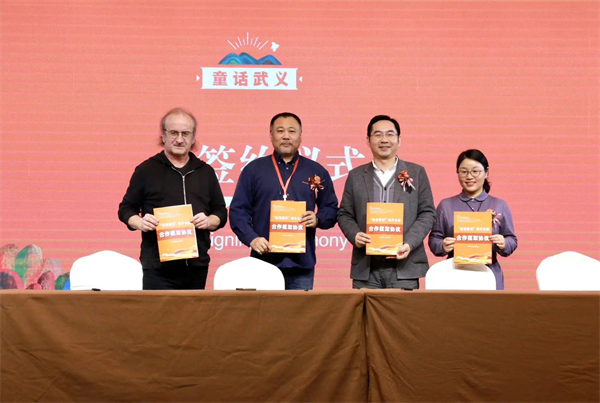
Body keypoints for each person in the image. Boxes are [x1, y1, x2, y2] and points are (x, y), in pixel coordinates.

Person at [118, 107, 227, 290]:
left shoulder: (205, 172)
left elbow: (220, 212)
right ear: (163, 135)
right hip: (157, 267)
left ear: (193, 137)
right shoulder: (146, 170)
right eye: (174, 133)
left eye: (185, 134)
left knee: (193, 310)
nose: (179, 139)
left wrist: (209, 221)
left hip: (196, 266)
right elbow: (125, 208)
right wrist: (139, 222)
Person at [229, 112, 339, 290]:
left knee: (300, 309)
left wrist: (318, 219)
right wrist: (252, 239)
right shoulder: (253, 170)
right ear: (271, 135)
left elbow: (331, 209)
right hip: (263, 262)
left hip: (301, 264)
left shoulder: (316, 171)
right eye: (280, 131)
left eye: (292, 131)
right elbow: (238, 211)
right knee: (264, 309)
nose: (286, 136)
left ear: (300, 135)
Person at [338, 115, 436, 289]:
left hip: (405, 266)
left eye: (390, 134)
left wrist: (409, 243)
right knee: (364, 308)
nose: (384, 139)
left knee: (402, 309)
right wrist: (355, 235)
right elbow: (344, 214)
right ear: (368, 140)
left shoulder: (417, 172)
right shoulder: (356, 176)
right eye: (378, 134)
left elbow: (427, 213)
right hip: (366, 268)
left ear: (399, 140)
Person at [428, 149, 517, 290]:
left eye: (475, 171)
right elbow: (434, 240)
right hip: (454, 274)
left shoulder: (499, 205)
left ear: (486, 172)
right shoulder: (446, 205)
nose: (469, 176)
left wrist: (504, 243)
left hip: (489, 273)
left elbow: (512, 240)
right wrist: (442, 245)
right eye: (463, 172)